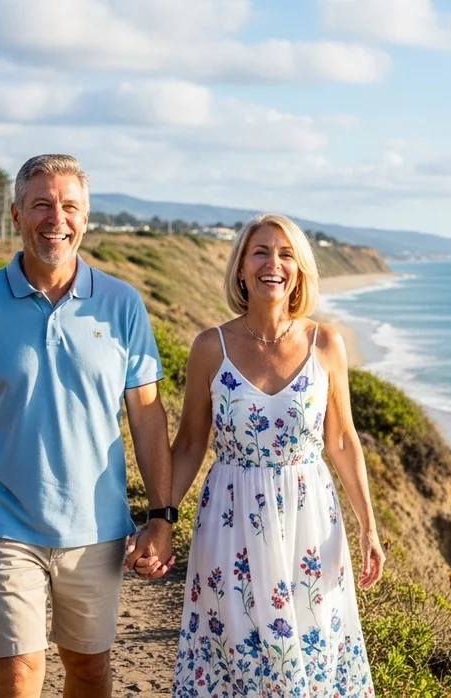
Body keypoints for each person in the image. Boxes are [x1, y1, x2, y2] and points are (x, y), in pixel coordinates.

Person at [0, 153, 176, 698]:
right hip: (0, 522)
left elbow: (148, 414)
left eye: (69, 206)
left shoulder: (122, 304)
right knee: (18, 674)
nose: (55, 218)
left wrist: (161, 516)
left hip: (96, 528)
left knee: (88, 671)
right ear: (16, 213)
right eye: (41, 204)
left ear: (86, 217)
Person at [157, 212, 384, 697]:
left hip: (310, 524)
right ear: (240, 267)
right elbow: (191, 444)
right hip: (230, 523)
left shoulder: (325, 343)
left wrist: (369, 526)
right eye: (260, 252)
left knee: (310, 655)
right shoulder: (209, 347)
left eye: (286, 255)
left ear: (299, 270)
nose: (272, 264)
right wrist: (161, 520)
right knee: (238, 658)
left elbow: (342, 440)